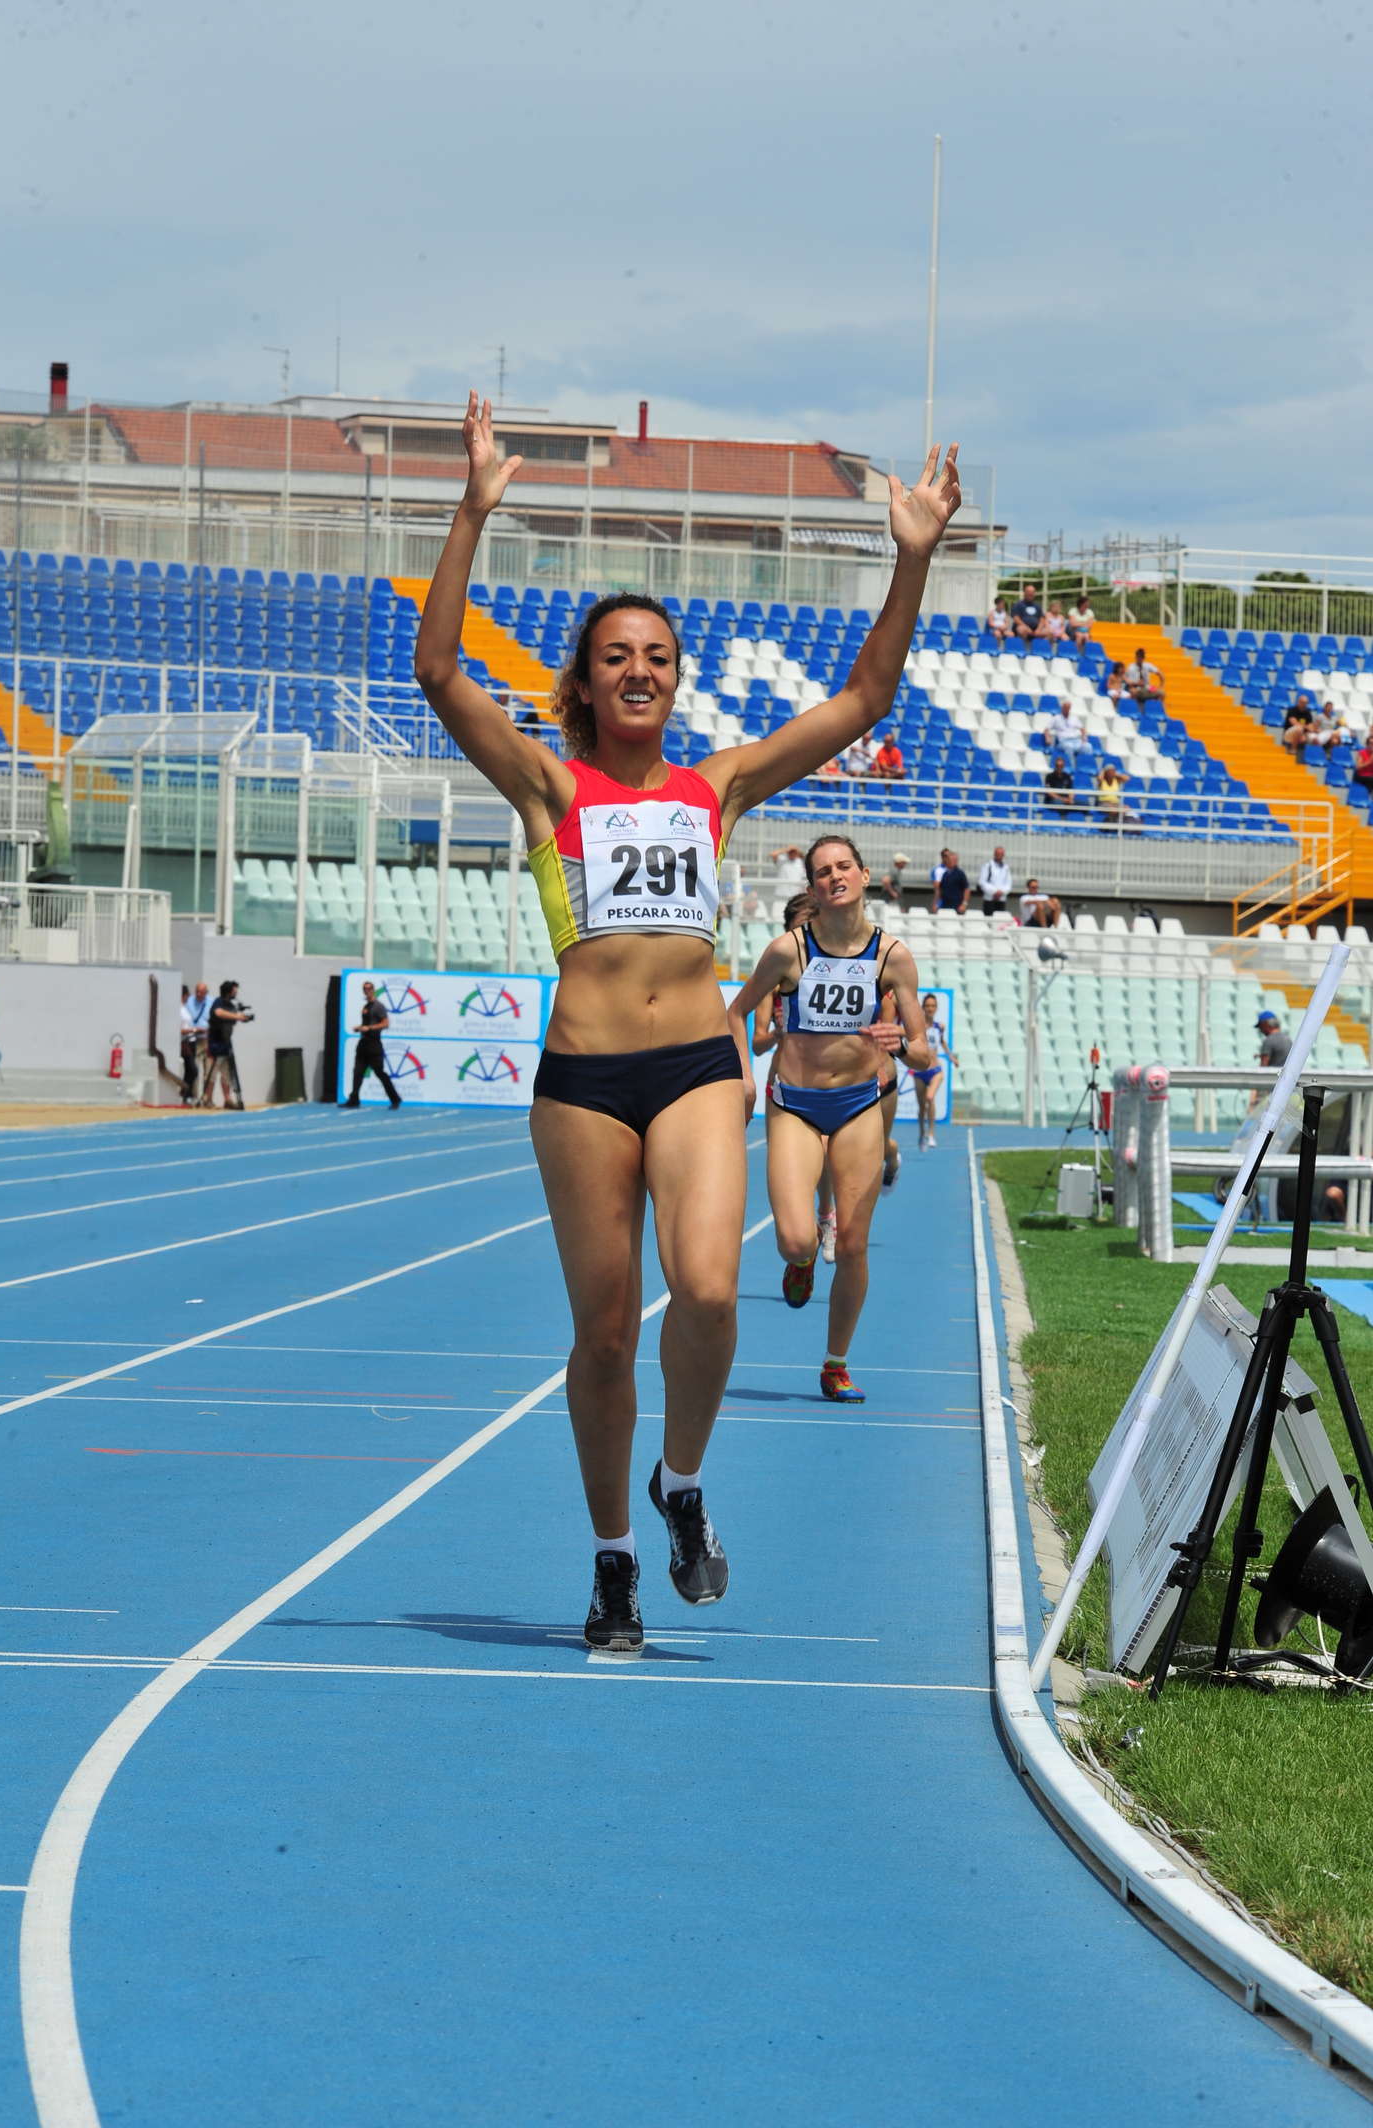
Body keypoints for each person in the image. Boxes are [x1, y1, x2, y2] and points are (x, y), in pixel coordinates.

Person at [414, 391, 960, 1654]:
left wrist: (913, 555)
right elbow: (438, 671)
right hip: (582, 1084)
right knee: (604, 1334)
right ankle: (614, 1559)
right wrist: (474, 510)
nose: (640, 670)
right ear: (585, 681)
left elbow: (866, 697)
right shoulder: (549, 786)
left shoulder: (718, 786)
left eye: (658, 654)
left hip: (701, 1065)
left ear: (677, 676)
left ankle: (683, 1480)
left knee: (709, 1292)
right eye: (617, 655)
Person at [726, 835, 928, 1403]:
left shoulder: (892, 956)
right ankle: (802, 1260)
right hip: (795, 1104)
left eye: (844, 867)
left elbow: (922, 1051)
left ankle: (835, 1364)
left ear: (863, 875)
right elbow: (736, 1013)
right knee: (795, 1240)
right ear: (813, 888)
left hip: (859, 1103)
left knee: (855, 1244)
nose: (835, 876)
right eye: (822, 871)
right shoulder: (788, 950)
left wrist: (900, 1043)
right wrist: (745, 1078)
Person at [750, 889, 836, 1263]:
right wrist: (779, 1033)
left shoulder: (839, 970)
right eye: (800, 925)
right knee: (792, 1182)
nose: (807, 932)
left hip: (830, 1085)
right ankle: (803, 1252)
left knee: (827, 1154)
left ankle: (826, 1217)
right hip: (785, 1088)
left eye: (812, 924)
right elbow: (757, 1044)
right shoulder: (774, 979)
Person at [342, 979, 404, 1110]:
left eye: (369, 988)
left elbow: (385, 1023)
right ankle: (354, 1099)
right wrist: (360, 1028)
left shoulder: (378, 1006)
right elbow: (366, 1024)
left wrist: (369, 1028)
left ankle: (395, 1099)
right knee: (357, 1072)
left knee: (380, 1073)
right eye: (365, 989)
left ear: (373, 990)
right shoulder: (366, 1006)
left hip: (374, 1045)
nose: (367, 991)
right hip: (363, 1044)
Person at [908, 991, 956, 1151]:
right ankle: (922, 1133)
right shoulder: (917, 1028)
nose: (930, 1008)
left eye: (933, 1006)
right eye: (927, 1006)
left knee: (930, 1097)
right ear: (923, 1007)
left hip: (935, 1070)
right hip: (919, 1072)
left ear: (936, 1008)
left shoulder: (939, 1027)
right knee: (922, 1107)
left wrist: (951, 1057)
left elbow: (942, 1042)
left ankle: (931, 1134)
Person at [202, 979, 252, 1109]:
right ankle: (208, 1099)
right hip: (215, 1044)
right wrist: (237, 1017)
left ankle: (227, 1099)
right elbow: (218, 1012)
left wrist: (242, 1017)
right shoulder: (218, 1002)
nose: (236, 993)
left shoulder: (230, 1005)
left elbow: (234, 1016)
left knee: (227, 1074)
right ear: (228, 992)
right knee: (211, 1074)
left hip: (226, 1044)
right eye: (234, 991)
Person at [1248, 1009, 1291, 1113]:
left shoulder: (1269, 1041)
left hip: (1271, 1086)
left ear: (1265, 1024)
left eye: (1261, 1027)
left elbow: (1263, 1068)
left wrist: (1254, 1099)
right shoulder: (1288, 1039)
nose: (1261, 1031)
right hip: (1286, 1086)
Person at [180, 980, 210, 1105]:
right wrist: (195, 1030)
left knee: (190, 1070)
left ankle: (188, 1096)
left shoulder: (184, 1007)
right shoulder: (181, 1008)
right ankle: (186, 1094)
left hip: (193, 1040)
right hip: (186, 1041)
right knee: (193, 1070)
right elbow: (180, 1028)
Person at [1095, 763, 1138, 827]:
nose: (1111, 773)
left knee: (1126, 808)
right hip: (1104, 803)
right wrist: (1103, 770)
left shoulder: (1116, 780)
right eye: (1109, 771)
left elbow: (1127, 778)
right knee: (1114, 809)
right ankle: (1111, 823)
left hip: (1115, 803)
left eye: (1113, 771)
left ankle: (1119, 825)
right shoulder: (1102, 781)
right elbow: (1099, 778)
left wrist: (1115, 774)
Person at [931, 846, 969, 913]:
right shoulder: (945, 874)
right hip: (945, 906)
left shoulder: (960, 874)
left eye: (953, 860)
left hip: (957, 906)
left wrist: (964, 904)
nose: (949, 861)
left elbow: (966, 889)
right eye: (948, 859)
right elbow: (939, 890)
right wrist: (935, 903)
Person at [978, 845, 1012, 916]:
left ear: (1003, 855)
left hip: (1001, 899)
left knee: (999, 919)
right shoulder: (987, 866)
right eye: (998, 854)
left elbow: (1008, 883)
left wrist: (1001, 892)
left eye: (1001, 854)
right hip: (989, 898)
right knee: (988, 919)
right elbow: (982, 882)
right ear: (994, 854)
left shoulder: (1006, 868)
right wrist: (994, 892)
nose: (999, 856)